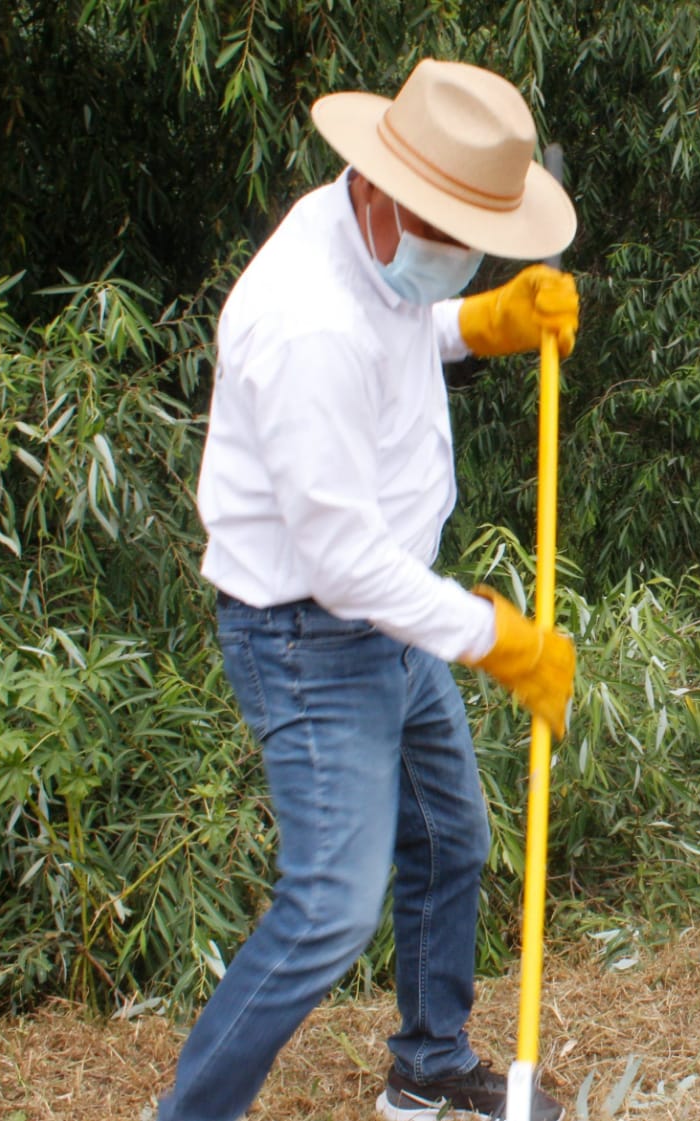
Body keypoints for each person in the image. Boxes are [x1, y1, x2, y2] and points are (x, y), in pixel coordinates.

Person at [162, 59, 581, 1121]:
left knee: (450, 837)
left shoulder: (367, 241)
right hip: (310, 632)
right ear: (391, 195)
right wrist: (498, 637)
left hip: (390, 615)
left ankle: (427, 1065)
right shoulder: (303, 317)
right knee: (328, 910)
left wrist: (479, 323)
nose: (464, 256)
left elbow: (397, 330)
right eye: (456, 240)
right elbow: (342, 559)